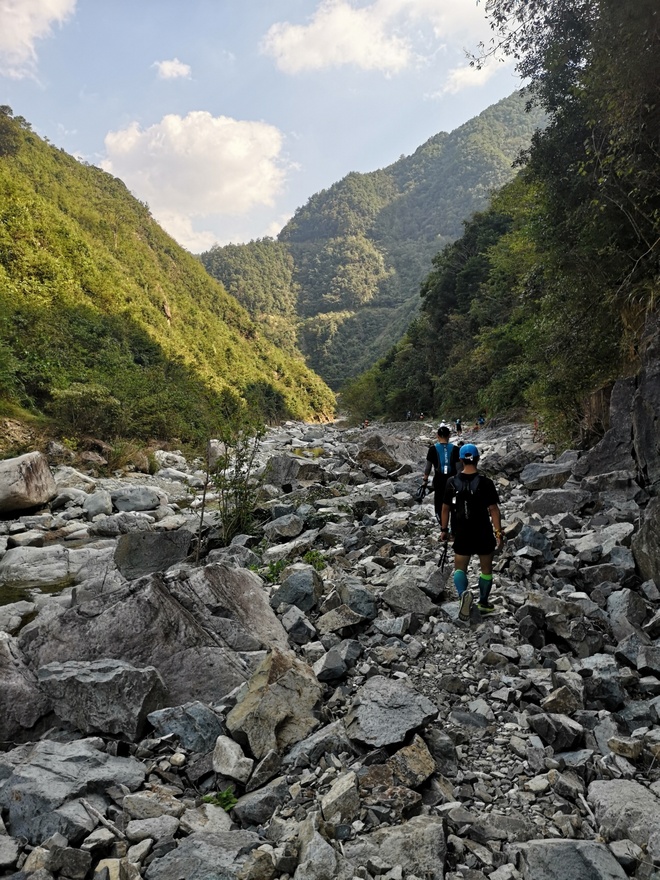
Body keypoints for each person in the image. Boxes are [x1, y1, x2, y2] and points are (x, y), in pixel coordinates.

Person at [440, 443, 503, 621]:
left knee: (460, 568)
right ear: (477, 459)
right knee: (486, 569)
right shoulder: (486, 483)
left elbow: (445, 508)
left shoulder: (451, 482)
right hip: (483, 531)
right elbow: (494, 510)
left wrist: (444, 530)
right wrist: (498, 534)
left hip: (462, 531)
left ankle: (463, 596)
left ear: (460, 460)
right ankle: (483, 602)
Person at [422, 425, 461, 522]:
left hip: (439, 480)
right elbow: (459, 468)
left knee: (440, 503)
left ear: (437, 436)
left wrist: (425, 480)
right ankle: (453, 529)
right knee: (453, 503)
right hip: (453, 480)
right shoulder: (456, 449)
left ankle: (443, 528)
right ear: (449, 435)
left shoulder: (432, 449)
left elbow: (428, 467)